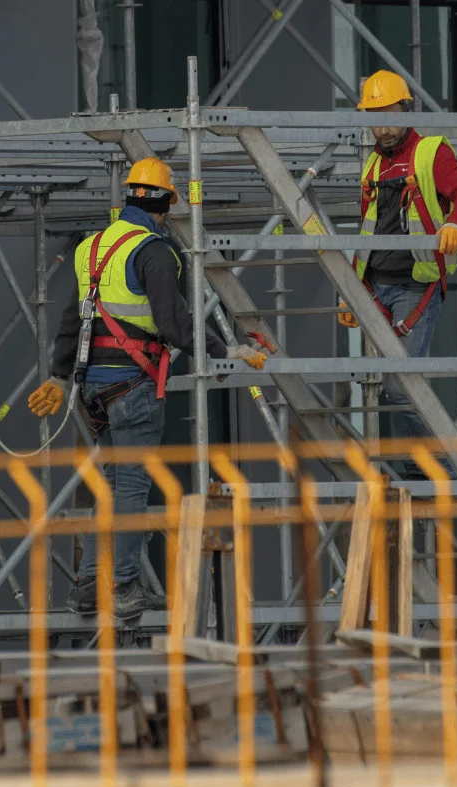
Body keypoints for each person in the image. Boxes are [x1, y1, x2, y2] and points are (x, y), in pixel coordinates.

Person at [28, 156, 268, 618]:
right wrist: (226, 350)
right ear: (166, 204)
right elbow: (175, 324)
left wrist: (59, 376)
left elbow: (72, 319)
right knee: (133, 487)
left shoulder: (93, 248)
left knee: (114, 486)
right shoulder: (155, 251)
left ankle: (89, 584)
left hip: (94, 389)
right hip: (133, 386)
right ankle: (122, 586)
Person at [337, 69, 457, 478]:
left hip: (415, 287)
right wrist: (353, 290)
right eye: (373, 116)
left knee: (402, 386)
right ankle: (418, 466)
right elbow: (370, 232)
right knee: (390, 387)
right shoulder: (372, 165)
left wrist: (456, 223)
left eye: (389, 113)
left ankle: (440, 471)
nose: (382, 126)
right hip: (376, 286)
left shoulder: (429, 152)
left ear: (406, 108)